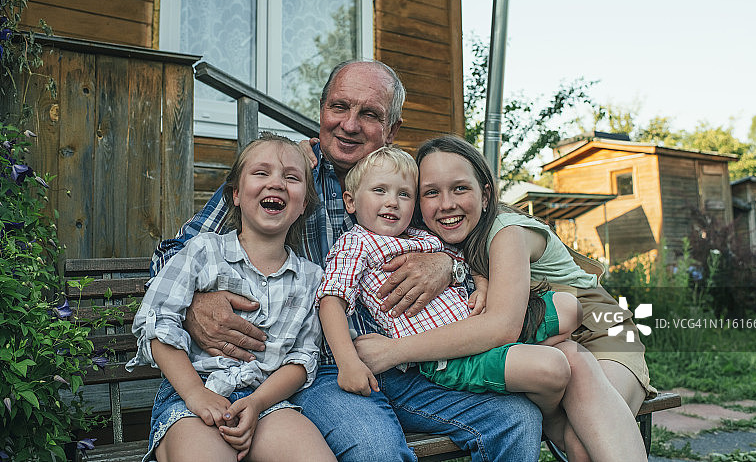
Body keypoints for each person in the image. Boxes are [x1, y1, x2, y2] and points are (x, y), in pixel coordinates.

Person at [151, 61, 544, 461]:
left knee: (518, 419)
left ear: (392, 129)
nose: (350, 124)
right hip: (321, 371)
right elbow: (174, 256)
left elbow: (466, 232)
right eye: (339, 107)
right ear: (321, 111)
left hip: (409, 361)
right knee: (378, 451)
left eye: (369, 114)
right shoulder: (289, 175)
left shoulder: (405, 182)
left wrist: (453, 267)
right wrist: (196, 305)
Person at [354, 135, 651, 462]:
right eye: (431, 192)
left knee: (582, 440)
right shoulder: (434, 237)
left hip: (601, 334)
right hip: (547, 345)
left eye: (460, 188)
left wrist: (395, 351)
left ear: (485, 194)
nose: (447, 203)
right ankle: (554, 422)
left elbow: (502, 327)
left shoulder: (507, 231)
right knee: (576, 429)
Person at [317, 145, 581, 441]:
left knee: (569, 307)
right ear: (350, 202)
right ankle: (557, 426)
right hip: (445, 359)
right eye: (380, 191)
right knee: (553, 366)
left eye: (403, 194)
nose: (392, 202)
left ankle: (519, 371)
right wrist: (348, 362)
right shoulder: (355, 245)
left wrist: (481, 285)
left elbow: (466, 259)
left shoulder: (422, 236)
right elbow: (330, 301)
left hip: (472, 332)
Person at [127, 133, 335, 462]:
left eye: (291, 177)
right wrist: (195, 394)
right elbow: (157, 322)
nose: (277, 183)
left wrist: (257, 402)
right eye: (261, 173)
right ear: (236, 194)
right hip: (193, 393)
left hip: (266, 402)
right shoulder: (203, 251)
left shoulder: (312, 278)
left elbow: (301, 360)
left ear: (304, 205)